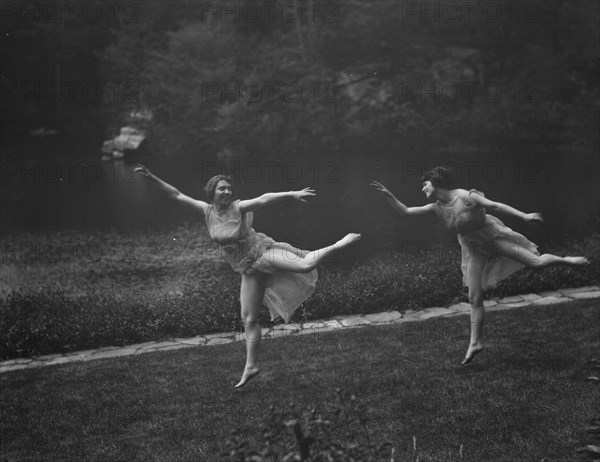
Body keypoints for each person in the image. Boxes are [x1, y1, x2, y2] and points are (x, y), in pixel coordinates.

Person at [135, 166, 361, 386]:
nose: (227, 192)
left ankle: (339, 244)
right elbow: (175, 195)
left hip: (261, 252)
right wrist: (151, 177)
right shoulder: (207, 211)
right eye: (221, 188)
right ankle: (251, 366)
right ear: (212, 192)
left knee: (303, 265)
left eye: (228, 188)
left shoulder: (238, 207)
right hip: (248, 269)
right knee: (249, 319)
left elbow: (263, 199)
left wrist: (291, 194)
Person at [371, 166, 589, 365]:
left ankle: (566, 260)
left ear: (436, 182)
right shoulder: (436, 207)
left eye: (425, 184)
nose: (422, 188)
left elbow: (494, 205)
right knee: (474, 297)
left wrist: (524, 216)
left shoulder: (465, 196)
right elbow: (406, 212)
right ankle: (476, 342)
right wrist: (389, 195)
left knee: (537, 263)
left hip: (493, 238)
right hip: (472, 247)